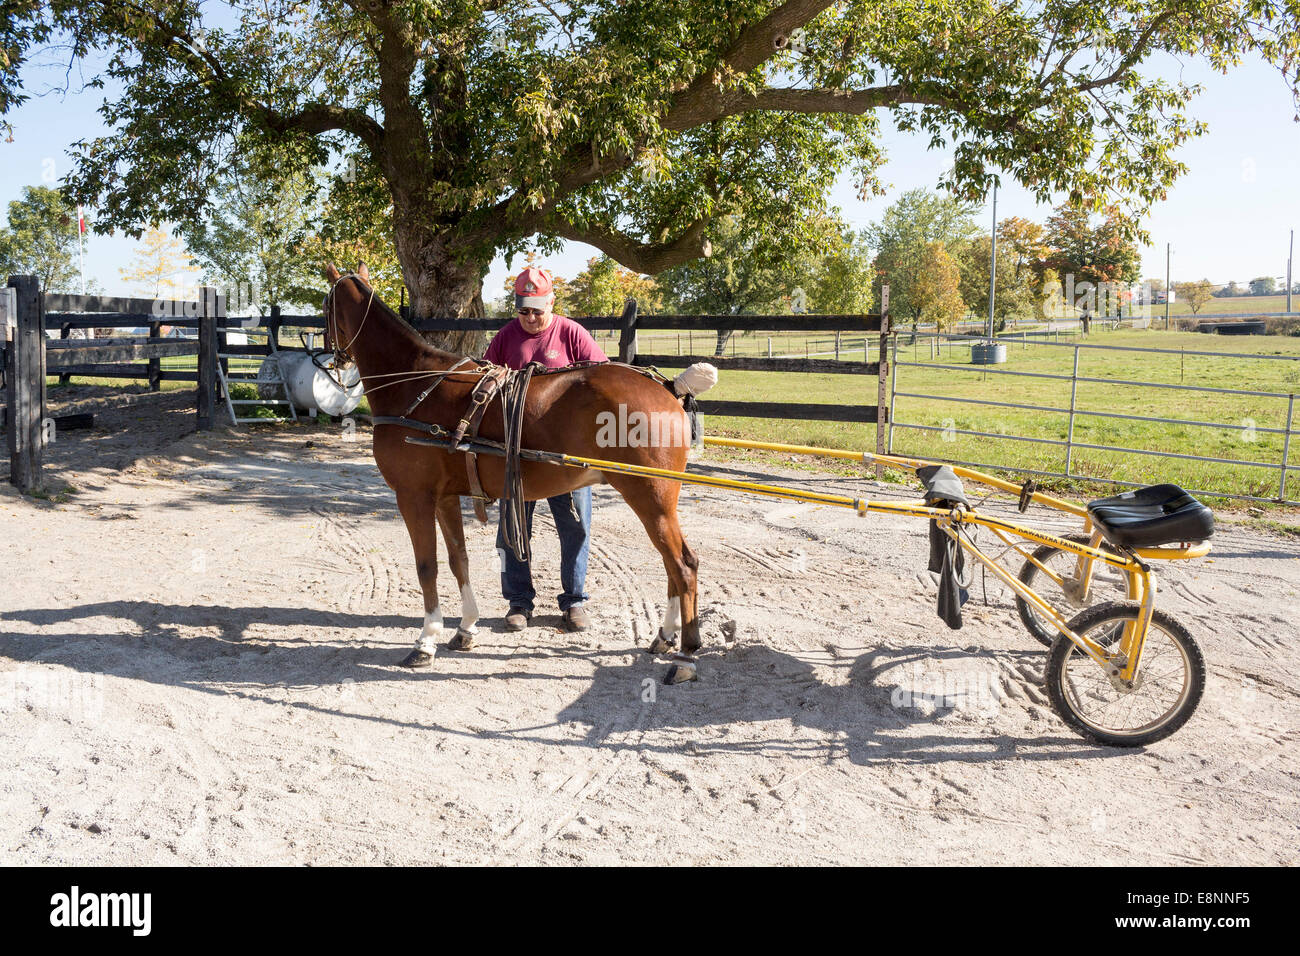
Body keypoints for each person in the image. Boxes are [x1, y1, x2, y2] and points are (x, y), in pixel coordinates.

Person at [484, 266, 609, 632]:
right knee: (512, 529)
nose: (531, 317)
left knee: (575, 526)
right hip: (516, 455)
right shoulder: (506, 338)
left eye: (538, 309)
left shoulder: (571, 333)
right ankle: (519, 602)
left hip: (567, 456)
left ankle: (574, 601)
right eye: (524, 309)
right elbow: (487, 383)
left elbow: (600, 381)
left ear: (551, 302)